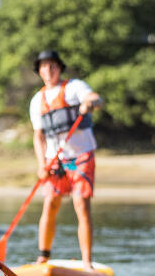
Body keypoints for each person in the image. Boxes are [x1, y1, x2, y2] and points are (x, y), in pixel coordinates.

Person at [29, 49, 104, 272]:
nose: (48, 70)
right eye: (44, 66)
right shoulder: (36, 101)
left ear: (60, 68)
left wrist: (89, 103)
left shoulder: (74, 88)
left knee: (81, 205)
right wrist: (42, 164)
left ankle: (87, 262)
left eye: (52, 65)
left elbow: (96, 98)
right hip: (55, 161)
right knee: (50, 205)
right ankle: (43, 257)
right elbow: (38, 136)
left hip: (81, 156)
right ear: (39, 71)